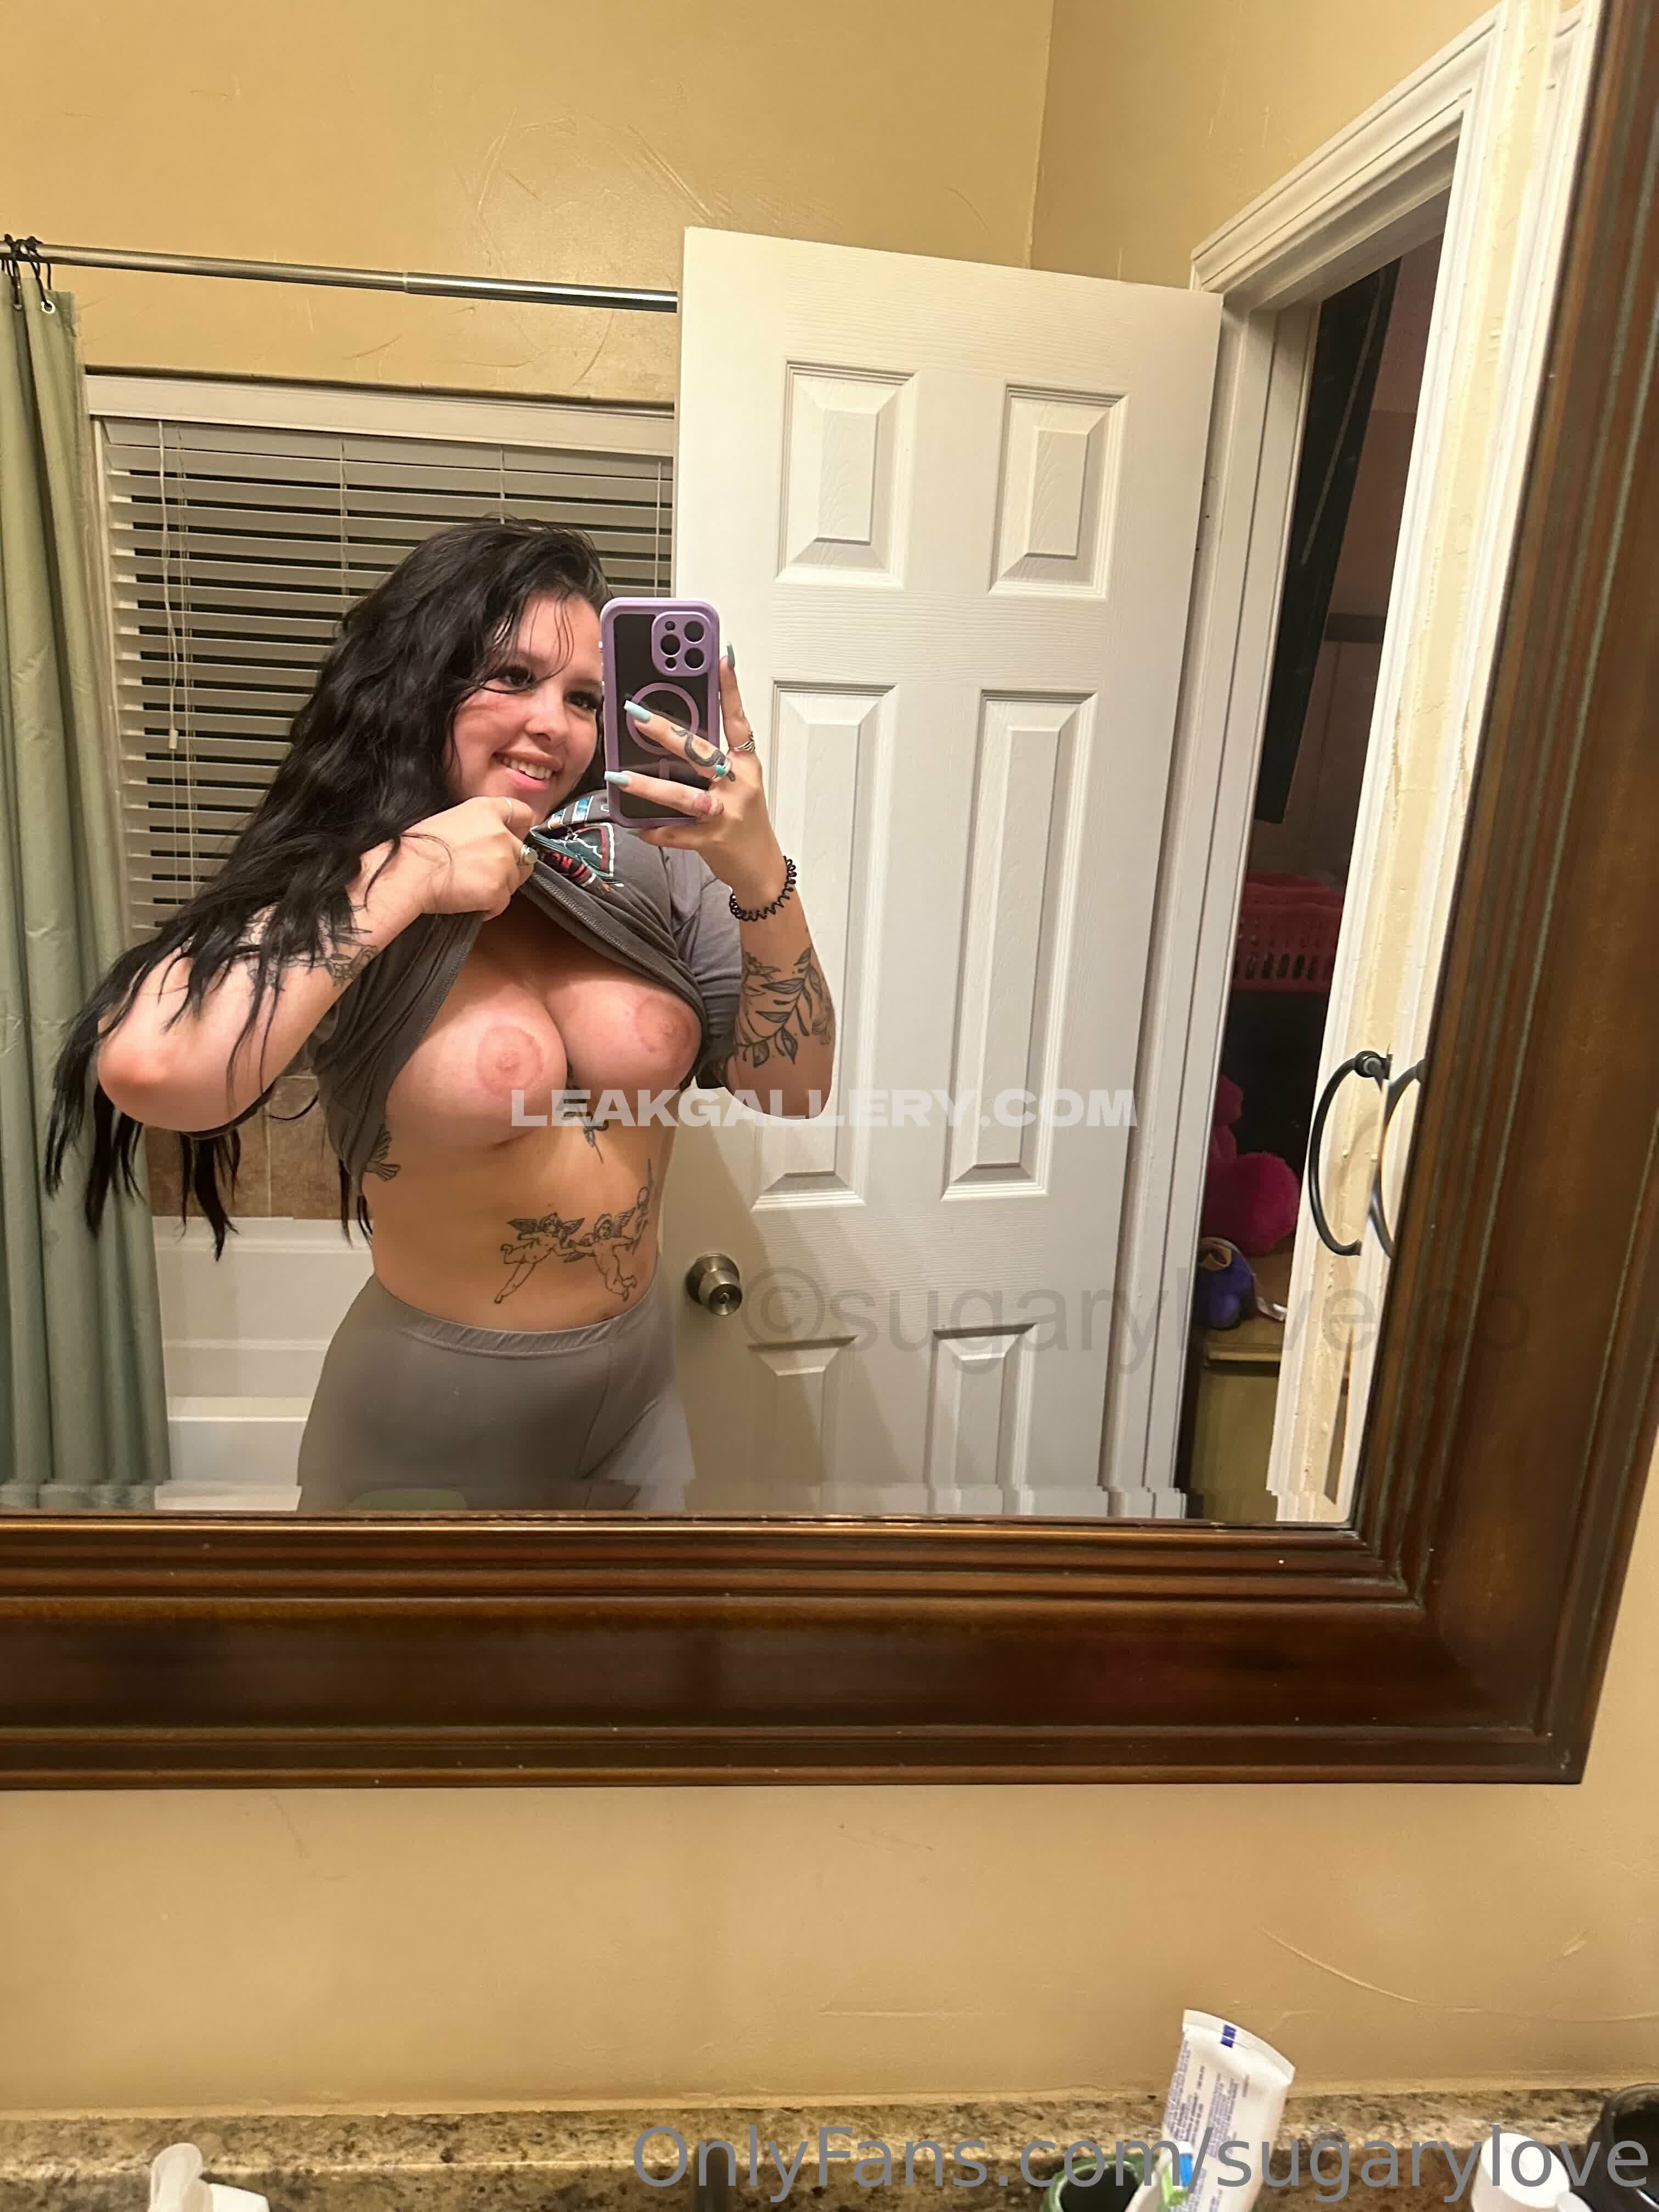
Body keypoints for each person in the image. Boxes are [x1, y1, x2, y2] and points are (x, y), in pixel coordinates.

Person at [47, 521, 835, 1512]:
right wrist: (414, 873)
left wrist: (759, 871)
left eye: (582, 697)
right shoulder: (350, 885)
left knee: (642, 1625)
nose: (554, 725)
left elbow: (795, 1088)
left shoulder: (646, 857)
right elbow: (155, 1071)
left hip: (640, 1397)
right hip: (428, 1418)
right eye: (510, 676)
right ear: (423, 680)